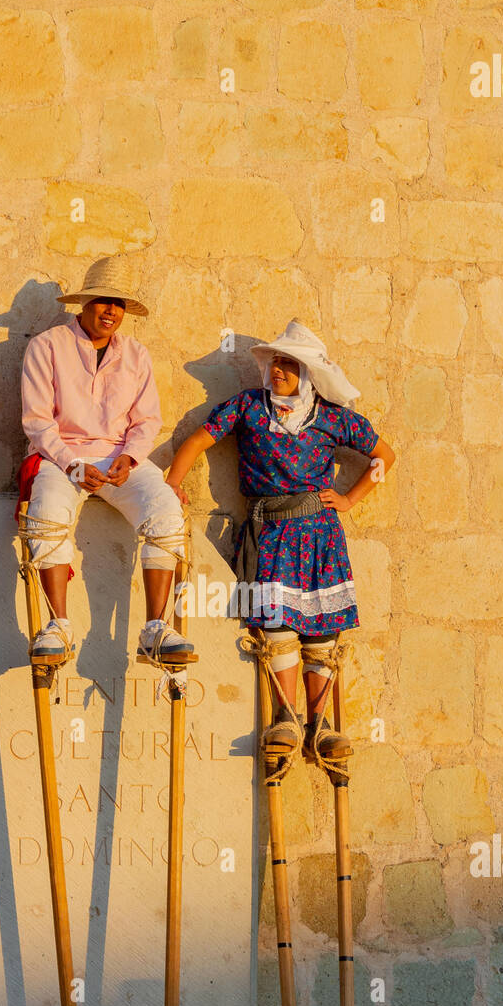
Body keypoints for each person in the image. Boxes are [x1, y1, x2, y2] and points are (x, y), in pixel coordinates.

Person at [165, 320, 395, 760]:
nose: (278, 372)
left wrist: (350, 497)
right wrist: (173, 483)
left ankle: (321, 724)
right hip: (268, 531)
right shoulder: (248, 408)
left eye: (289, 365)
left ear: (308, 373)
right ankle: (286, 718)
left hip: (319, 532)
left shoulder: (331, 418)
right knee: (278, 625)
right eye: (275, 363)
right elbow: (199, 440)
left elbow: (384, 457)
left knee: (322, 628)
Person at [17, 254, 194, 668]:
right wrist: (70, 463)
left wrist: (131, 458)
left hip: (120, 458)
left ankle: (155, 629)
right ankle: (58, 625)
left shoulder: (135, 354)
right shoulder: (46, 346)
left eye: (119, 303)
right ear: (85, 303)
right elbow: (37, 421)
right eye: (102, 301)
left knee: (166, 510)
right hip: (62, 455)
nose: (110, 310)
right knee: (46, 515)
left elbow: (147, 420)